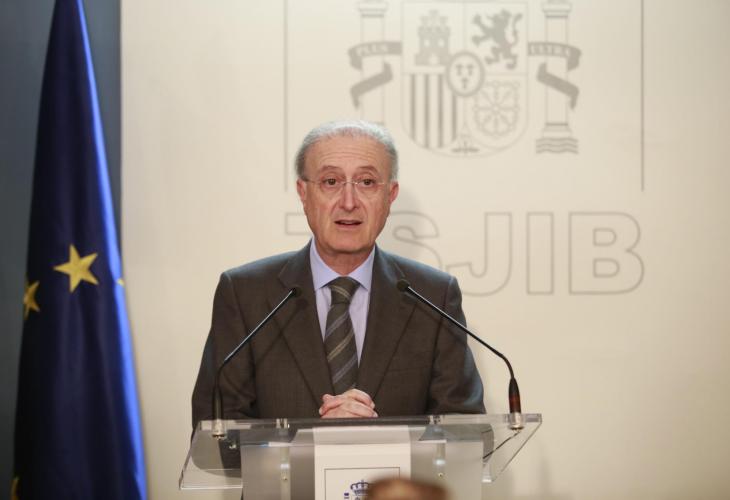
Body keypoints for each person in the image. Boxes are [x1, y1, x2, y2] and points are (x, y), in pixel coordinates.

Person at [191, 120, 484, 425]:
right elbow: (215, 427)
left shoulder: (433, 297)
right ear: (303, 193)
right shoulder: (245, 294)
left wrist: (382, 439)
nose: (348, 202)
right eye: (331, 181)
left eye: (367, 182)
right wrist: (315, 439)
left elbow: (464, 429)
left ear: (390, 195)